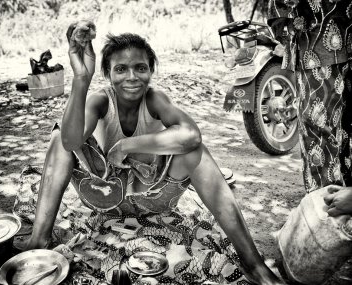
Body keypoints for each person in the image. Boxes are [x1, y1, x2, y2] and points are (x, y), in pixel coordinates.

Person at [16, 20, 283, 285]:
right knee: (58, 138)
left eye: (140, 68)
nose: (131, 77)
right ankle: (40, 240)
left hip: (153, 198)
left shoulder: (155, 99)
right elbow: (71, 140)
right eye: (120, 69)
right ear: (108, 74)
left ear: (151, 71)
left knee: (195, 152)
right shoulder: (100, 100)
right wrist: (81, 79)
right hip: (103, 196)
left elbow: (192, 136)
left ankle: (253, 265)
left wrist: (127, 145)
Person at [268, 0, 352, 282]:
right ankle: (331, 232)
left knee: (322, 133)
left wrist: (286, 25)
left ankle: (327, 234)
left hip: (321, 40)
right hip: (323, 40)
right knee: (330, 134)